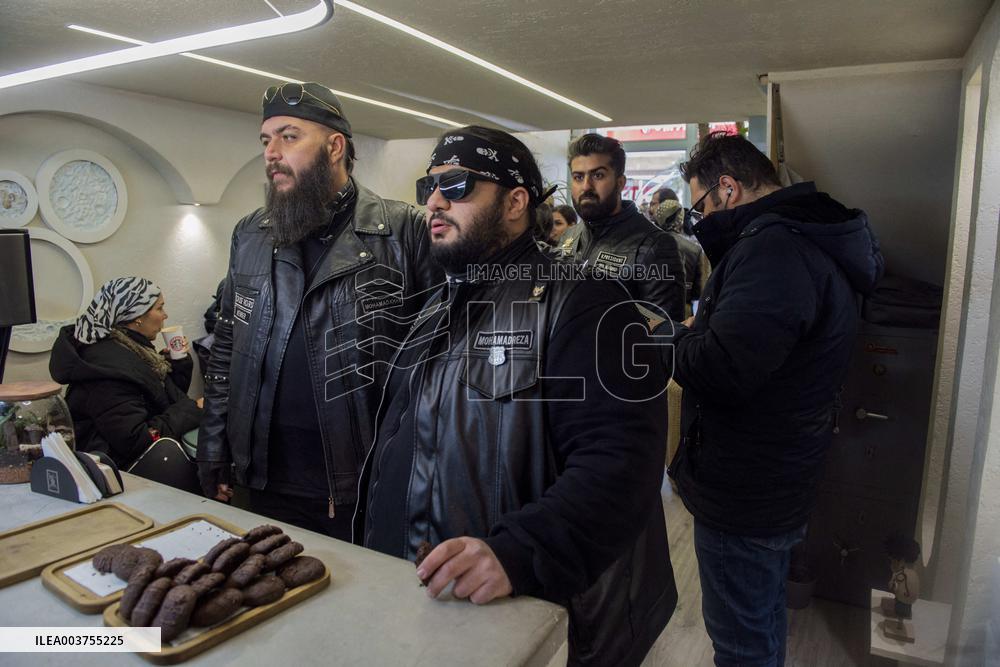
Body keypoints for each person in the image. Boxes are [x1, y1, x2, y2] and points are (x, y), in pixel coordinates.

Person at [357, 126, 677, 666]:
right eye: (428, 187)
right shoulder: (437, 305)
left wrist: (520, 552)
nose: (434, 202)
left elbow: (623, 463)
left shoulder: (583, 301)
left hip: (532, 612)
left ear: (515, 202)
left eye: (457, 186)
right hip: (433, 600)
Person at [666, 132, 883, 666]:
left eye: (700, 208)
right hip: (779, 472)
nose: (699, 223)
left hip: (746, 490)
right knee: (761, 621)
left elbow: (722, 371)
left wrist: (674, 337)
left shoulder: (773, 251)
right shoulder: (805, 235)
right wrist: (709, 327)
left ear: (728, 189)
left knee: (740, 641)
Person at [197, 82, 442, 539]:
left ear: (334, 147)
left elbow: (435, 366)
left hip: (360, 477)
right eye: (266, 140)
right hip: (263, 474)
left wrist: (422, 468)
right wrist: (214, 448)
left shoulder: (403, 231)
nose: (272, 152)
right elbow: (227, 347)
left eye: (289, 136)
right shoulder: (250, 234)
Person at [49, 277, 202, 469]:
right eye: (159, 308)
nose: (165, 315)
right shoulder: (108, 371)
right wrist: (192, 409)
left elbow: (158, 400)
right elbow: (137, 440)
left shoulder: (130, 348)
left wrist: (177, 364)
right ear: (137, 316)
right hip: (120, 471)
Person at [556, 133, 685, 322]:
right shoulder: (568, 237)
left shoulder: (654, 245)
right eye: (578, 177)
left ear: (620, 183)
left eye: (597, 175)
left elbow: (665, 336)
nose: (586, 186)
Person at [654, 198, 708, 311]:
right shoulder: (694, 249)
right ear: (680, 219)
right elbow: (698, 292)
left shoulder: (648, 244)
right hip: (683, 310)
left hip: (652, 309)